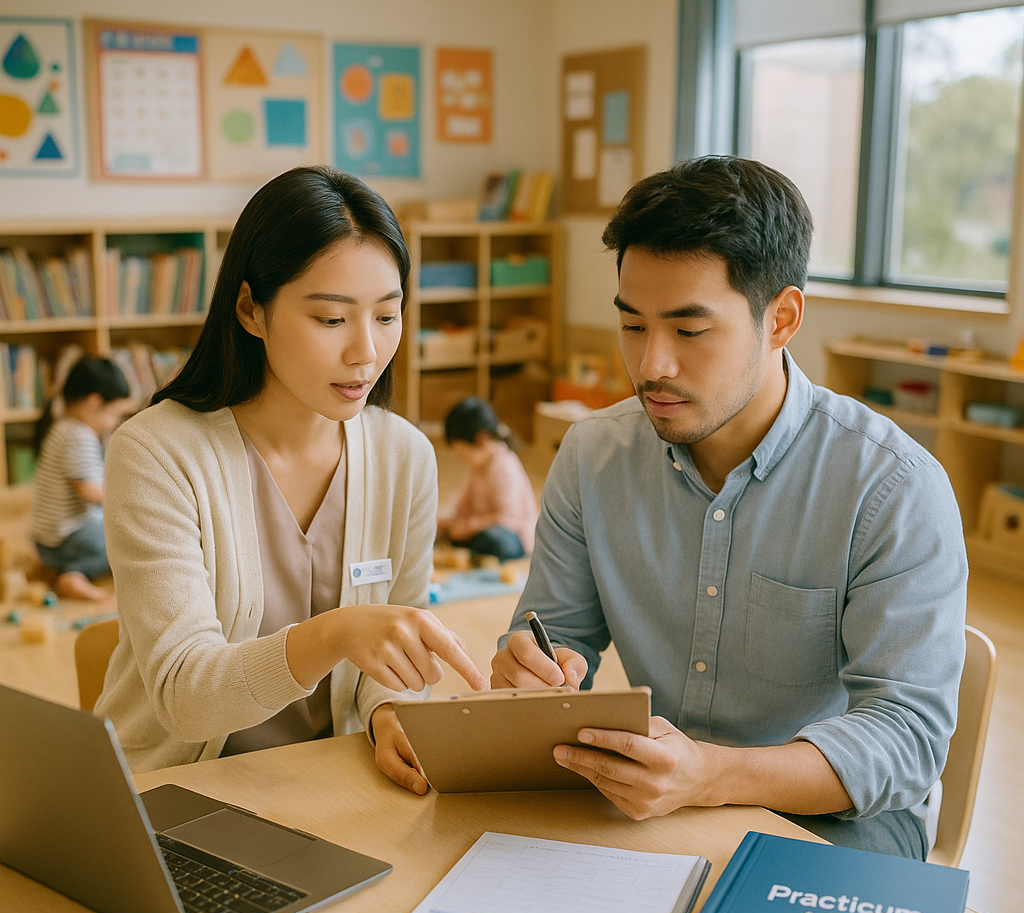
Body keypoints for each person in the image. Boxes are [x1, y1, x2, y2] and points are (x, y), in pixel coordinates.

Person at [491, 156, 968, 859]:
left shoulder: (891, 487)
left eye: (689, 331)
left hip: (834, 821)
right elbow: (556, 634)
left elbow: (904, 741)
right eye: (632, 326)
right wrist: (534, 667)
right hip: (657, 798)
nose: (652, 365)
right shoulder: (591, 456)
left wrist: (712, 776)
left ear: (782, 318)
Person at [95, 165, 486, 787]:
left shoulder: (404, 457)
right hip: (173, 792)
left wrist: (388, 711)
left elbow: (396, 642)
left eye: (387, 316)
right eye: (331, 319)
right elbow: (183, 694)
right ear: (251, 309)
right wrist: (334, 634)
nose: (366, 351)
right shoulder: (156, 453)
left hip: (331, 782)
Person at [29, 355, 133, 602]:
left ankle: (57, 568)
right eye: (114, 414)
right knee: (125, 539)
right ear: (94, 402)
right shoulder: (78, 435)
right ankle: (73, 574)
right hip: (65, 537)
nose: (114, 423)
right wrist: (128, 506)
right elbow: (89, 490)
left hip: (50, 538)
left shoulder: (63, 427)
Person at [437, 396, 539, 562]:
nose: (461, 458)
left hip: (515, 537)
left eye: (462, 453)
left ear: (481, 440)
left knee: (495, 541)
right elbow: (463, 509)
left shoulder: (504, 466)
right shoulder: (478, 469)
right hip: (483, 529)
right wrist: (448, 524)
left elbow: (509, 519)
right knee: (453, 532)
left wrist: (470, 527)